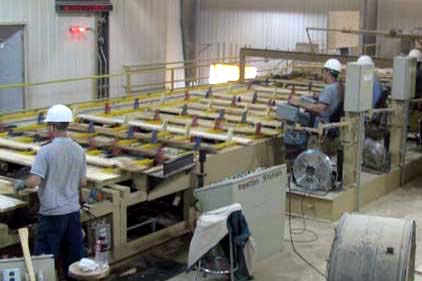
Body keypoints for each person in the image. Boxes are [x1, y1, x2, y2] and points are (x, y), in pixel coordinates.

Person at [15, 104, 86, 279]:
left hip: (52, 214)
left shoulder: (46, 151)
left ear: (51, 126)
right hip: (73, 212)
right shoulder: (79, 150)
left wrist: (21, 183)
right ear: (68, 125)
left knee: (44, 262)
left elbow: (34, 181)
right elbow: (82, 182)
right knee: (74, 260)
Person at [289, 58, 344, 126]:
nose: (322, 74)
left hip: (322, 122)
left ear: (328, 72)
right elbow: (328, 99)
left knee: (291, 115)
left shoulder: (329, 88)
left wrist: (299, 103)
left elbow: (319, 108)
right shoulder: (338, 86)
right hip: (332, 120)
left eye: (323, 71)